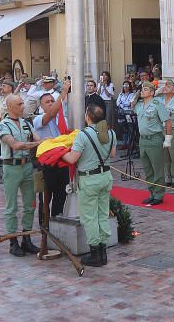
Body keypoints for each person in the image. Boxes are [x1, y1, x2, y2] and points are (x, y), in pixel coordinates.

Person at [62, 104, 117, 267]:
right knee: (102, 215)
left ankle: (95, 253)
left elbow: (72, 159)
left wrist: (60, 152)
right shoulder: (111, 132)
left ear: (88, 117)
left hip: (89, 179)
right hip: (105, 177)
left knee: (89, 217)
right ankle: (103, 252)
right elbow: (113, 154)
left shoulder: (83, 135)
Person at [0, 95, 43, 257]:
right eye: (19, 104)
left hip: (27, 166)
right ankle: (13, 241)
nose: (23, 106)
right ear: (10, 107)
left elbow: (38, 138)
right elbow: (15, 145)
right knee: (11, 207)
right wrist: (38, 143)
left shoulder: (26, 124)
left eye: (22, 103)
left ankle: (26, 238)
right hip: (11, 168)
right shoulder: (3, 126)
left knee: (30, 204)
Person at [34, 89, 71, 218]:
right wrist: (63, 94)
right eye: (47, 102)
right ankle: (44, 228)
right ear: (41, 106)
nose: (50, 103)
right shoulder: (38, 119)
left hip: (62, 162)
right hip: (47, 165)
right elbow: (49, 115)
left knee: (61, 196)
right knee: (45, 198)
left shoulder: (62, 119)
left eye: (52, 101)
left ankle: (57, 223)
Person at [135, 81, 172, 205]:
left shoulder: (157, 105)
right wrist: (136, 94)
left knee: (157, 169)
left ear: (152, 92)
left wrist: (168, 138)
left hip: (154, 139)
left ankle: (159, 195)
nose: (142, 91)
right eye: (142, 89)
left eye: (145, 89)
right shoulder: (139, 104)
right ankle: (151, 193)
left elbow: (167, 121)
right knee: (148, 170)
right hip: (143, 140)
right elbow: (131, 105)